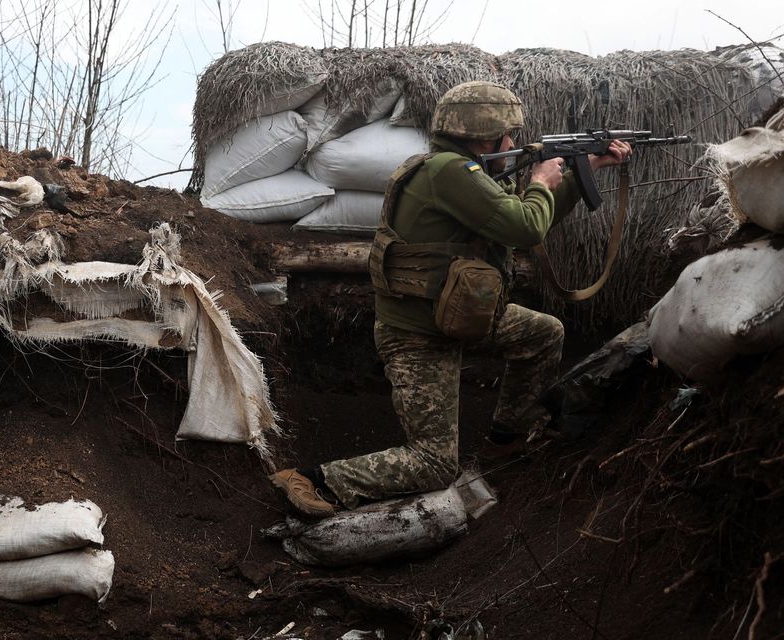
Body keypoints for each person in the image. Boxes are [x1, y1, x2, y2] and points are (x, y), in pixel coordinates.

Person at [270, 81, 631, 517]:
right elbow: (525, 228)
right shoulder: (450, 173)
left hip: (460, 315)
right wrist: (540, 181)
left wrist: (583, 171)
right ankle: (315, 479)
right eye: (507, 135)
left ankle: (504, 440)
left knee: (543, 334)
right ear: (483, 135)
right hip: (418, 335)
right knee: (435, 464)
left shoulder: (466, 173)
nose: (512, 143)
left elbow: (522, 219)